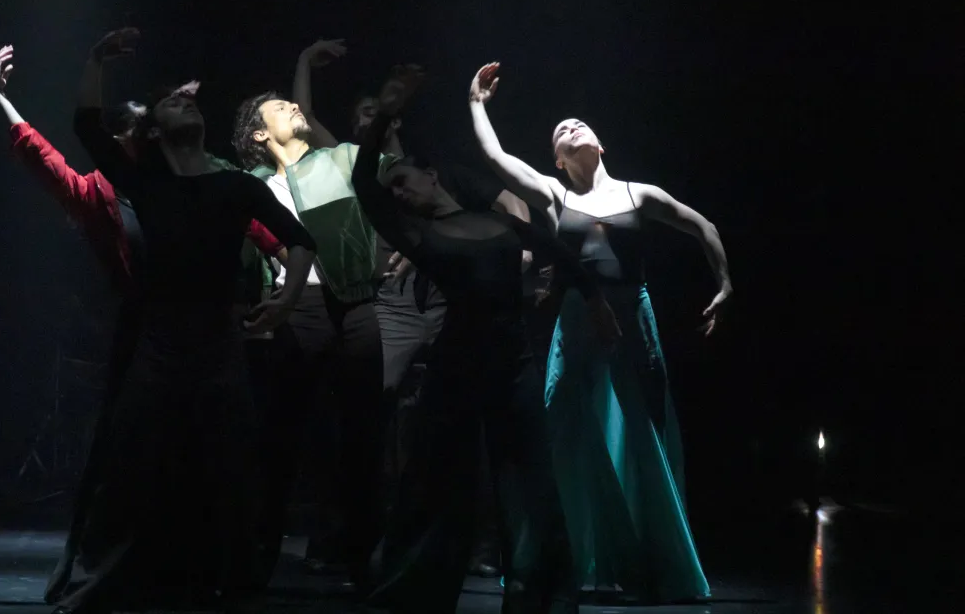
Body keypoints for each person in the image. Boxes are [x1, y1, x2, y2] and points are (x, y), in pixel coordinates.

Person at [0, 45, 288, 608]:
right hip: (145, 333)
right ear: (128, 139)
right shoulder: (101, 193)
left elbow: (258, 225)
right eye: (141, 131)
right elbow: (42, 154)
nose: (148, 138)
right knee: (129, 454)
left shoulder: (187, 185)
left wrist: (285, 283)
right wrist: (2, 99)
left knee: (208, 451)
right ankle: (110, 570)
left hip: (208, 330)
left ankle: (200, 569)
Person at [53, 27, 318, 614]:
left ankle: (230, 583)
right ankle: (107, 581)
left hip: (218, 338)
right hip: (159, 337)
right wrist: (96, 58)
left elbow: (300, 241)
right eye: (173, 102)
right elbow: (85, 126)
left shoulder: (234, 185)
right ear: (154, 132)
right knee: (133, 459)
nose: (185, 102)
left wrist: (287, 296)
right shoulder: (144, 183)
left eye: (190, 100)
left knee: (228, 461)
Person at [355, 67, 621, 614]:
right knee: (436, 479)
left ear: (432, 176)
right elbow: (364, 187)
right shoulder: (418, 234)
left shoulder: (495, 222)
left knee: (529, 480)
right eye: (395, 191)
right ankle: (417, 588)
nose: (399, 193)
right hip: (457, 363)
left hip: (513, 361)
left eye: (404, 180)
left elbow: (561, 253)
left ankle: (537, 591)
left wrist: (597, 304)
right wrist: (383, 115)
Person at [468, 61, 732, 603]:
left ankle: (652, 561)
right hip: (576, 318)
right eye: (561, 131)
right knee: (561, 425)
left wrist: (726, 284)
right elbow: (495, 160)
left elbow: (703, 226)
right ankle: (553, 556)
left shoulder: (642, 194)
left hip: (632, 314)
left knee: (641, 432)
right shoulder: (554, 195)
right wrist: (476, 104)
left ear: (601, 145)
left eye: (580, 125)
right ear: (558, 161)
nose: (572, 128)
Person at [296, 40, 534, 579]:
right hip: (393, 301)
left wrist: (521, 252)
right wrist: (309, 65)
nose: (368, 122)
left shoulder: (437, 174)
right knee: (371, 405)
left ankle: (481, 543)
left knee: (474, 416)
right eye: (361, 116)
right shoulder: (360, 173)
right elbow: (310, 122)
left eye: (374, 113)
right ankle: (361, 533)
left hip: (454, 299)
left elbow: (509, 204)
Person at [231, 46, 402, 585]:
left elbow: (384, 167)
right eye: (279, 108)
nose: (293, 109)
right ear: (259, 134)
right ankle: (258, 553)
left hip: (354, 303)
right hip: (294, 307)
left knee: (363, 432)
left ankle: (359, 556)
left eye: (292, 103)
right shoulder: (252, 185)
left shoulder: (337, 158)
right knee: (280, 433)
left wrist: (393, 107)